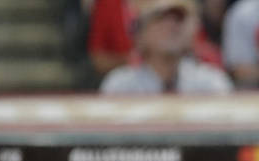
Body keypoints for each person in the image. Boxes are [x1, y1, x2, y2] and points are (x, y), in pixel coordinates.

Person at [99, 0, 233, 94]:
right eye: (160, 19)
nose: (171, 27)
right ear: (140, 34)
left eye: (178, 20)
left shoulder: (210, 83)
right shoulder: (120, 86)